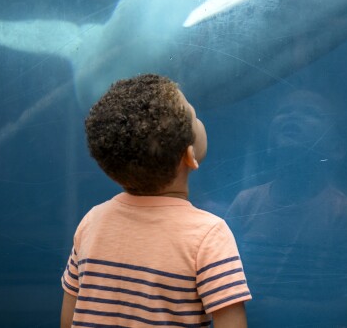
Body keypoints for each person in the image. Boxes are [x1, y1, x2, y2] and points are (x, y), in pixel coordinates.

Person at [60, 74, 250, 327]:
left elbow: (68, 319)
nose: (199, 120)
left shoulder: (92, 223)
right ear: (189, 156)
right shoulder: (208, 235)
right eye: (194, 116)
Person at [226, 90, 347, 326]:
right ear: (269, 145)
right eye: (284, 111)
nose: (292, 116)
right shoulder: (245, 203)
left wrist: (281, 309)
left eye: (311, 113)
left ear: (336, 149)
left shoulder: (342, 213)